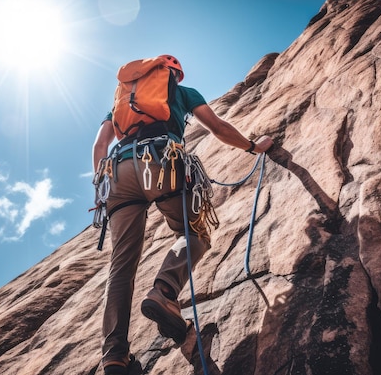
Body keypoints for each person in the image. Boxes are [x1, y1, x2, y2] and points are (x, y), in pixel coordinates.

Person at [92, 55, 273, 375]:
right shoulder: (182, 92)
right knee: (195, 233)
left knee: (121, 266)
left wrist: (102, 185)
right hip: (161, 160)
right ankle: (163, 292)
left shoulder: (122, 101)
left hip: (118, 174)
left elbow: (101, 143)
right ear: (172, 73)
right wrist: (253, 147)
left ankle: (114, 356)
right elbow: (217, 127)